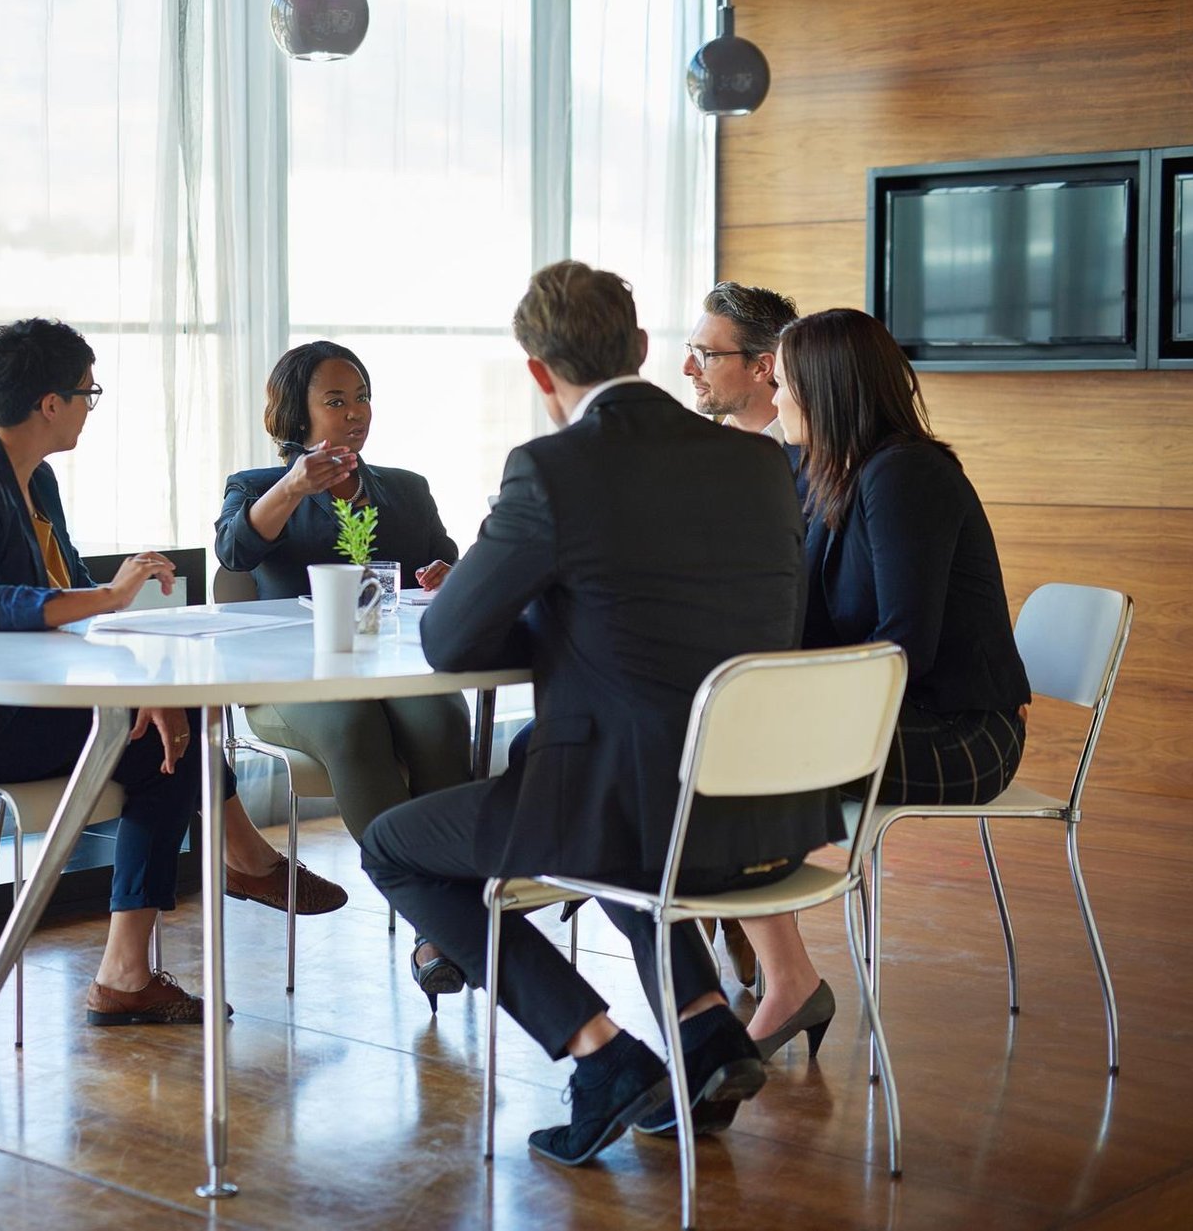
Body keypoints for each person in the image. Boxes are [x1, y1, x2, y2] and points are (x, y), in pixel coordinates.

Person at [360, 261, 843, 1167]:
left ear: (539, 372)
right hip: (762, 806)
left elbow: (451, 641)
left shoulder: (549, 468)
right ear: (644, 350)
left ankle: (599, 1051)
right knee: (616, 805)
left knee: (394, 845)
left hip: (630, 805)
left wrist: (531, 589)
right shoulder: (758, 462)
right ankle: (704, 1034)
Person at [0, 318, 344, 1027]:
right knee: (163, 747)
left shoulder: (33, 479)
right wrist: (114, 600)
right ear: (48, 403)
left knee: (167, 728)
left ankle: (152, 947)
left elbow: (72, 600)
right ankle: (194, 905)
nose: (91, 403)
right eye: (88, 390)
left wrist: (139, 684)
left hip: (25, 705)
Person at [738, 307, 1031, 1061]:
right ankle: (781, 966)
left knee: (734, 760)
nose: (779, 398)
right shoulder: (826, 474)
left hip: (965, 730)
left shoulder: (907, 475)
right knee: (714, 743)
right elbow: (804, 624)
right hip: (893, 716)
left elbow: (905, 648)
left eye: (789, 383)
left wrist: (793, 711)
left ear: (829, 391)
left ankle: (782, 971)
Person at [214, 340, 473, 998]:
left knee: (442, 714)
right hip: (290, 686)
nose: (355, 412)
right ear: (296, 414)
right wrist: (294, 485)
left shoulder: (405, 488)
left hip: (390, 672)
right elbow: (234, 551)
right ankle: (435, 920)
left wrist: (446, 576)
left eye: (361, 397)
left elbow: (444, 563)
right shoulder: (254, 488)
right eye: (336, 400)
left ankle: (445, 903)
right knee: (355, 726)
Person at [683, 281, 804, 987]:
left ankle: (725, 931)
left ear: (765, 367)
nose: (689, 368)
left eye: (705, 352)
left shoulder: (815, 466)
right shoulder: (687, 457)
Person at [683, 281, 798, 440]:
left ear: (761, 367)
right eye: (691, 350)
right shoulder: (693, 450)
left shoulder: (826, 456)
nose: (687, 368)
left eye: (706, 354)